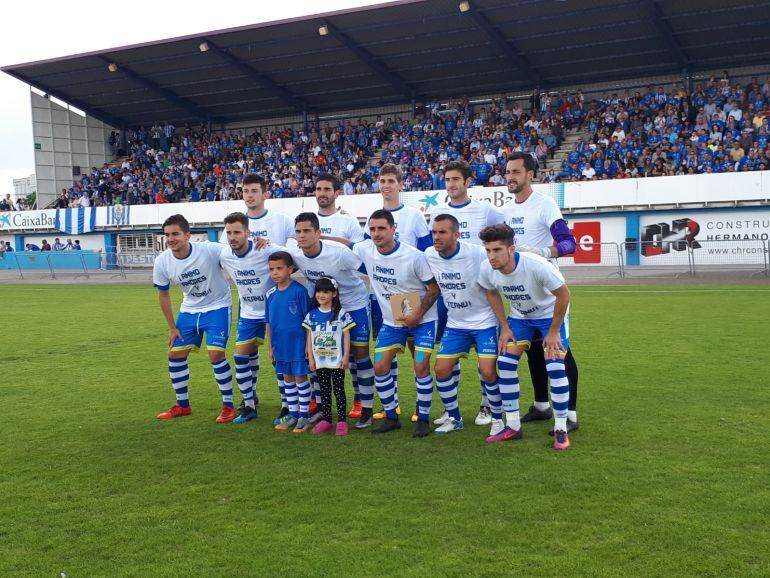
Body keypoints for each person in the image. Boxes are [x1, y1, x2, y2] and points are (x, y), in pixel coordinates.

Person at [502, 152, 580, 433]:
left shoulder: (545, 205)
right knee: (532, 353)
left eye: (516, 172)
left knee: (559, 352)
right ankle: (541, 406)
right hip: (521, 296)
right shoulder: (507, 211)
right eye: (508, 172)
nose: (510, 177)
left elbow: (570, 244)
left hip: (548, 294)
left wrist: (543, 252)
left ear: (530, 175)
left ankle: (570, 414)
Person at [478, 223, 572, 450]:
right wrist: (505, 327)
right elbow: (490, 291)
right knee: (506, 364)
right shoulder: (487, 268)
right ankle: (513, 426)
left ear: (512, 249)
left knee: (555, 367)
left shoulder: (537, 266)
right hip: (520, 318)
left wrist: (552, 332)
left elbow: (564, 295)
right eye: (488, 250)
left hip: (550, 315)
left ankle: (561, 429)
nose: (492, 256)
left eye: (497, 250)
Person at [430, 159, 506, 426]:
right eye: (447, 180)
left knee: (485, 363)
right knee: (450, 355)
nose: (451, 184)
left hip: (481, 290)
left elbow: (504, 237)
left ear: (467, 182)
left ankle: (487, 406)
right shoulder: (437, 211)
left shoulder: (484, 211)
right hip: (452, 293)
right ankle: (452, 410)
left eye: (455, 180)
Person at [352, 209, 440, 437]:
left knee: (420, 365)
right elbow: (345, 244)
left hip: (422, 321)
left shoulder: (414, 256)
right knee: (380, 365)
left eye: (382, 228)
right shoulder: (366, 249)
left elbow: (434, 289)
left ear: (393, 229)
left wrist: (418, 314)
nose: (376, 233)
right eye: (372, 229)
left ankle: (423, 418)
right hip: (393, 323)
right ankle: (391, 417)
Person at [286, 213, 375, 429]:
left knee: (359, 354)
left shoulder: (340, 253)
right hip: (323, 309)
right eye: (298, 231)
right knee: (319, 355)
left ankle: (367, 409)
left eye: (307, 231)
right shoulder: (295, 253)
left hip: (354, 305)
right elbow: (274, 253)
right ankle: (323, 410)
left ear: (318, 233)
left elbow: (367, 266)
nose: (302, 236)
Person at [220, 173, 295, 424]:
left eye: (236, 233)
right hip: (249, 311)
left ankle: (288, 405)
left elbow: (295, 254)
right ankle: (249, 404)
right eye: (245, 191)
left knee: (279, 357)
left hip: (276, 309)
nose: (232, 237)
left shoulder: (272, 240)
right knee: (242, 356)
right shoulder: (225, 251)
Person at [152, 214, 235, 423]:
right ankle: (182, 405)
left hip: (218, 306)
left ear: (187, 235)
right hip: (189, 310)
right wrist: (172, 328)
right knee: (175, 355)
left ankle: (228, 406)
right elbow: (163, 294)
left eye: (175, 234)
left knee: (216, 355)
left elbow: (236, 250)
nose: (171, 239)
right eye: (167, 235)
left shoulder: (208, 249)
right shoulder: (162, 261)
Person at [313, 173, 367, 419]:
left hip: (352, 301)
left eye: (327, 189)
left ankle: (360, 400)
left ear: (337, 193)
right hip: (323, 304)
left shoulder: (348, 221)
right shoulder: (307, 221)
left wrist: (322, 239)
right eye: (318, 188)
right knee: (320, 351)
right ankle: (320, 402)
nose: (322, 193)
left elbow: (359, 252)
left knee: (357, 353)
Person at [265, 251, 312, 433]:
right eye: (271, 269)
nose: (275, 273)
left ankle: (304, 416)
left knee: (300, 378)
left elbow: (308, 322)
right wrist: (270, 348)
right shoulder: (270, 294)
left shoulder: (300, 291)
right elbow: (268, 323)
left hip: (298, 345)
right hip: (280, 346)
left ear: (290, 269)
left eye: (279, 268)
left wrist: (308, 346)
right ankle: (292, 414)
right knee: (287, 379)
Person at [303, 277, 354, 436]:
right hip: (320, 361)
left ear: (334, 294)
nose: (321, 295)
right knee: (324, 390)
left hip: (337, 361)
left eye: (326, 291)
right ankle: (326, 420)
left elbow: (346, 336)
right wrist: (311, 358)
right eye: (318, 291)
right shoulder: (311, 315)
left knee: (339, 390)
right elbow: (309, 337)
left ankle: (341, 421)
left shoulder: (341, 314)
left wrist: (345, 357)